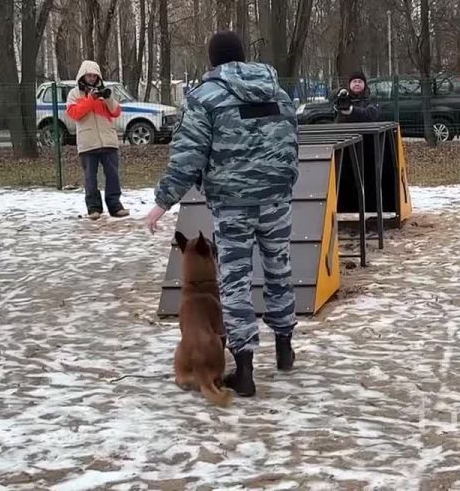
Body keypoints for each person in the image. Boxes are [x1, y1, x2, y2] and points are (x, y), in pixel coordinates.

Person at [144, 31, 300, 397]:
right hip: (276, 196)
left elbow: (188, 156)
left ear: (212, 60)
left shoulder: (205, 97)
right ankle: (284, 347)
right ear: (244, 57)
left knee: (235, 281)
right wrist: (284, 179)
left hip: (232, 203)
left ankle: (244, 369)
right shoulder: (278, 92)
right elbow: (292, 138)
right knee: (280, 268)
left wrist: (162, 202)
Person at [66, 60, 129, 219]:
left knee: (113, 175)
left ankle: (115, 205)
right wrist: (90, 99)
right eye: (89, 75)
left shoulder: (104, 92)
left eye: (94, 75)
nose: (92, 78)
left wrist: (107, 98)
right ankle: (93, 208)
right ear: (83, 76)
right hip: (88, 143)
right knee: (90, 177)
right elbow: (75, 114)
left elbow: (115, 112)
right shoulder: (74, 94)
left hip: (108, 140)